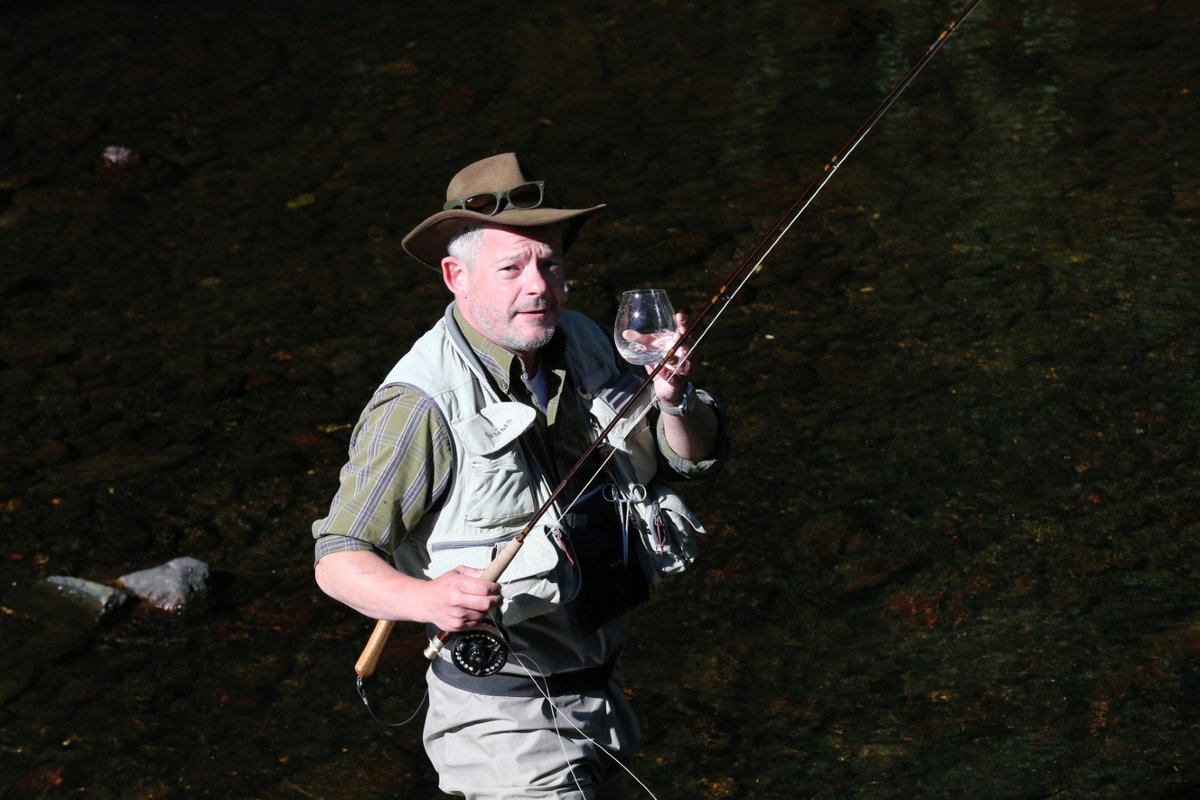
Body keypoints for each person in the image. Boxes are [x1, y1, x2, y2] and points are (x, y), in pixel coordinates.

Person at [312, 152, 727, 799]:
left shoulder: (588, 338)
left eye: (549, 263)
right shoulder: (419, 404)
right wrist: (426, 600)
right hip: (502, 723)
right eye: (511, 268)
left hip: (602, 700)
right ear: (457, 275)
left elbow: (687, 457)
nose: (537, 285)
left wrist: (676, 398)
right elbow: (338, 557)